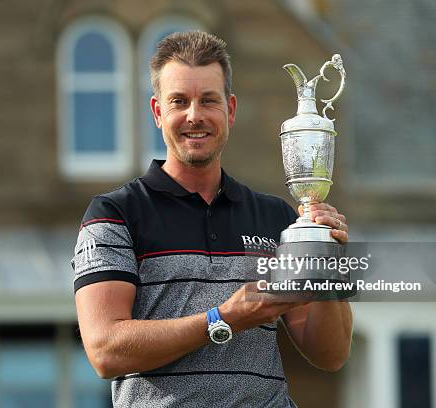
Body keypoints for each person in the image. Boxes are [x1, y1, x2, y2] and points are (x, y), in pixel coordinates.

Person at [73, 30, 352, 407]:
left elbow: (329, 354)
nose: (194, 116)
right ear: (158, 112)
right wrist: (224, 319)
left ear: (230, 110)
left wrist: (324, 258)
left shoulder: (276, 217)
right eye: (179, 102)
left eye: (208, 100)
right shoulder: (115, 213)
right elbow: (106, 351)